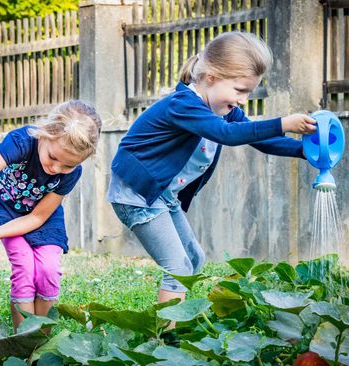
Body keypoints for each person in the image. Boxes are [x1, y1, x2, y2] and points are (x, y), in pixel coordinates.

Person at [107, 31, 317, 312]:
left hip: (161, 195)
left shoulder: (222, 110)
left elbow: (256, 138)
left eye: (248, 92)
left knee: (194, 259)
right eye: (240, 90)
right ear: (211, 78)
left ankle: (177, 319)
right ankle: (165, 337)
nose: (243, 100)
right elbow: (227, 134)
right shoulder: (183, 105)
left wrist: (303, 151)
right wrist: (282, 123)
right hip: (137, 194)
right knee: (178, 265)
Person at [0, 100, 101, 332]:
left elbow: (38, 218)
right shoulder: (20, 143)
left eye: (67, 166)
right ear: (45, 135)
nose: (56, 169)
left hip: (44, 219)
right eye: (53, 157)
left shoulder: (72, 173)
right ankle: (22, 339)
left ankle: (40, 340)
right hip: (7, 213)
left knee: (49, 270)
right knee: (24, 268)